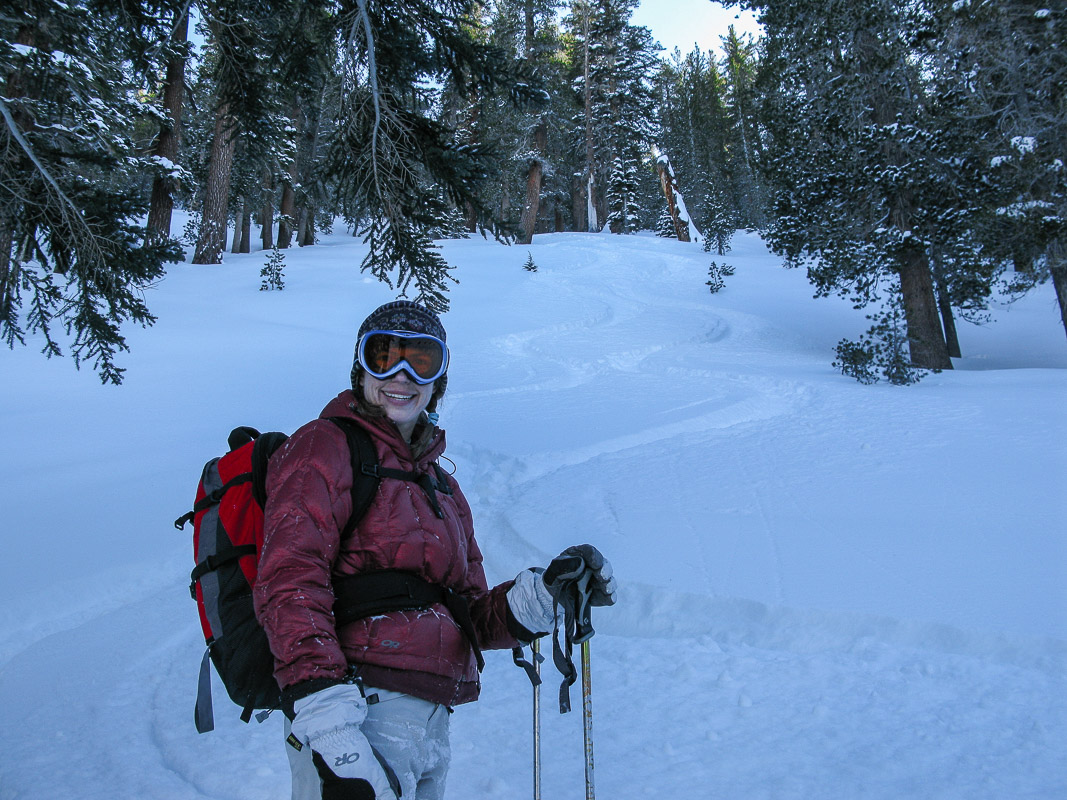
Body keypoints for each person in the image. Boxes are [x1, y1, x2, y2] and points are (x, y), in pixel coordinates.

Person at [253, 300, 617, 800]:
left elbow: (470, 614)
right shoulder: (324, 446)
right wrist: (325, 715)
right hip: (354, 706)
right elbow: (289, 579)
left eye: (420, 360)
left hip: (430, 718)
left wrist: (544, 596)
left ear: (438, 379)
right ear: (360, 368)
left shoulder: (442, 487)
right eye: (383, 355)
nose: (400, 375)